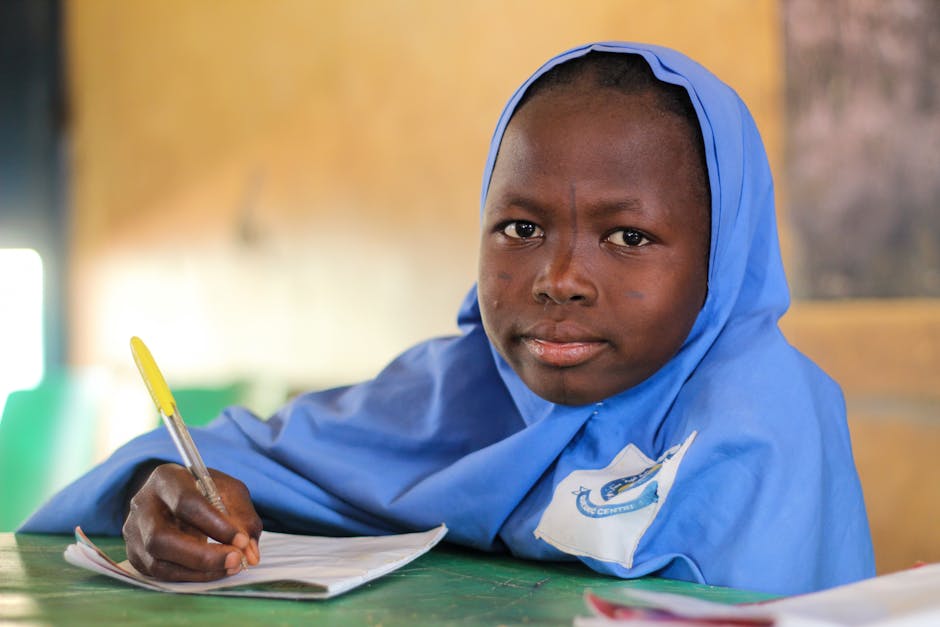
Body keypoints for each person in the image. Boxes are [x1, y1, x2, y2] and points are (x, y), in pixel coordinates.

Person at [22, 42, 875, 595]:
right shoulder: (455, 392)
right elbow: (222, 458)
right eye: (520, 227)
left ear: (720, 259)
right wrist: (163, 499)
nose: (559, 277)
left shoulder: (759, 428)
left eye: (628, 235)